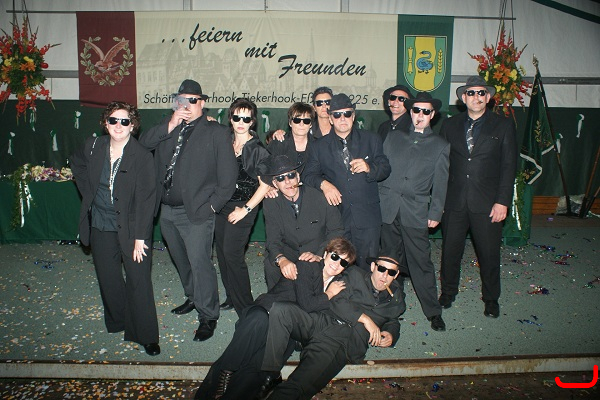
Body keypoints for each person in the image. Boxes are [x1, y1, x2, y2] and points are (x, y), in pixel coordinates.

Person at [194, 238, 356, 400]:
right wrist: (328, 294)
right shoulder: (308, 265)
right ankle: (225, 372)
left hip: (286, 331)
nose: (337, 264)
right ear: (326, 254)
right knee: (259, 320)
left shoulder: (339, 285)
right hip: (266, 311)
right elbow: (307, 304)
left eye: (343, 262)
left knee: (257, 370)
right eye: (335, 256)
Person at [139, 79, 237, 342]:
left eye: (193, 100)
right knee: (181, 260)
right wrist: (170, 124)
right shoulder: (168, 127)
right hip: (166, 210)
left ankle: (208, 315)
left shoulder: (216, 132)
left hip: (197, 211)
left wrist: (212, 207)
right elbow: (143, 145)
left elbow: (228, 178)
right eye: (182, 100)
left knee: (199, 262)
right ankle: (193, 297)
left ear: (202, 103)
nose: (187, 105)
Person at [70, 101, 160, 356]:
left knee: (138, 280)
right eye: (113, 120)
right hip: (100, 223)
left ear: (132, 126)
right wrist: (88, 192)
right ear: (105, 123)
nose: (118, 126)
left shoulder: (142, 156)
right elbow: (75, 162)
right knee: (108, 277)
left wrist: (141, 237)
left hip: (132, 227)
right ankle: (118, 320)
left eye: (124, 121)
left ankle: (146, 335)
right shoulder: (94, 146)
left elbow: (147, 200)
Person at [259, 254, 406, 399]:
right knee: (281, 310)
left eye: (391, 272)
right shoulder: (355, 275)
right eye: (381, 269)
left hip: (341, 340)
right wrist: (365, 319)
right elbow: (336, 300)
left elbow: (392, 319)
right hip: (322, 320)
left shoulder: (397, 297)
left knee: (298, 384)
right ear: (373, 267)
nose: (385, 275)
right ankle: (272, 373)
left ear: (396, 274)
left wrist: (390, 334)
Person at [439, 76, 518, 318]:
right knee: (450, 252)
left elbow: (509, 166)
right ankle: (448, 292)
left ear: (488, 97)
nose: (476, 97)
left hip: (488, 203)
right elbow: (441, 166)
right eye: (471, 93)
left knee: (489, 254)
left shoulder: (503, 126)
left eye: (481, 93)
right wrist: (439, 201)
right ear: (463, 98)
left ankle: (491, 298)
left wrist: (502, 201)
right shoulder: (449, 125)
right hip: (454, 202)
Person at [379, 92, 449, 332]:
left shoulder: (440, 145)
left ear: (433, 115)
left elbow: (441, 184)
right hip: (388, 208)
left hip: (415, 211)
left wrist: (436, 213)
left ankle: (433, 312)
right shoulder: (393, 137)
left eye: (425, 111)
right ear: (410, 112)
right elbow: (382, 170)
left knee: (421, 262)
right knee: (389, 260)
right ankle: (392, 304)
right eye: (416, 110)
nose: (420, 115)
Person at [303, 93, 391, 270]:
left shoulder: (371, 139)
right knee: (338, 267)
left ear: (353, 116)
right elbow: (308, 175)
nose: (342, 118)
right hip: (337, 218)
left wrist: (369, 167)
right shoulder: (318, 146)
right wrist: (324, 185)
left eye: (347, 114)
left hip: (367, 217)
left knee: (368, 267)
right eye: (337, 115)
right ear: (330, 118)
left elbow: (385, 168)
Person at [215, 98, 271, 316]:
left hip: (244, 206)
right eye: (237, 117)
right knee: (222, 253)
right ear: (230, 118)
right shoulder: (225, 141)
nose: (241, 122)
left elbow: (265, 185)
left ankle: (246, 308)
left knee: (232, 254)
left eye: (246, 119)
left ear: (252, 122)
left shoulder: (258, 150)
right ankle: (231, 296)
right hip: (222, 204)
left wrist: (245, 210)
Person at [261, 154, 344, 290]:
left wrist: (319, 255)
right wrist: (281, 259)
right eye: (281, 178)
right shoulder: (271, 203)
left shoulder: (320, 197)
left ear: (298, 177)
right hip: (289, 251)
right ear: (275, 184)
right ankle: (276, 300)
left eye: (291, 176)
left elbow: (337, 231)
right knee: (271, 265)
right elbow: (272, 239)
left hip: (317, 250)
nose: (288, 182)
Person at [267, 102, 316, 171]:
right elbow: (266, 168)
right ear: (290, 123)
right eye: (297, 120)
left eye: (306, 121)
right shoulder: (278, 144)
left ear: (310, 124)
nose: (301, 124)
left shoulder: (318, 146)